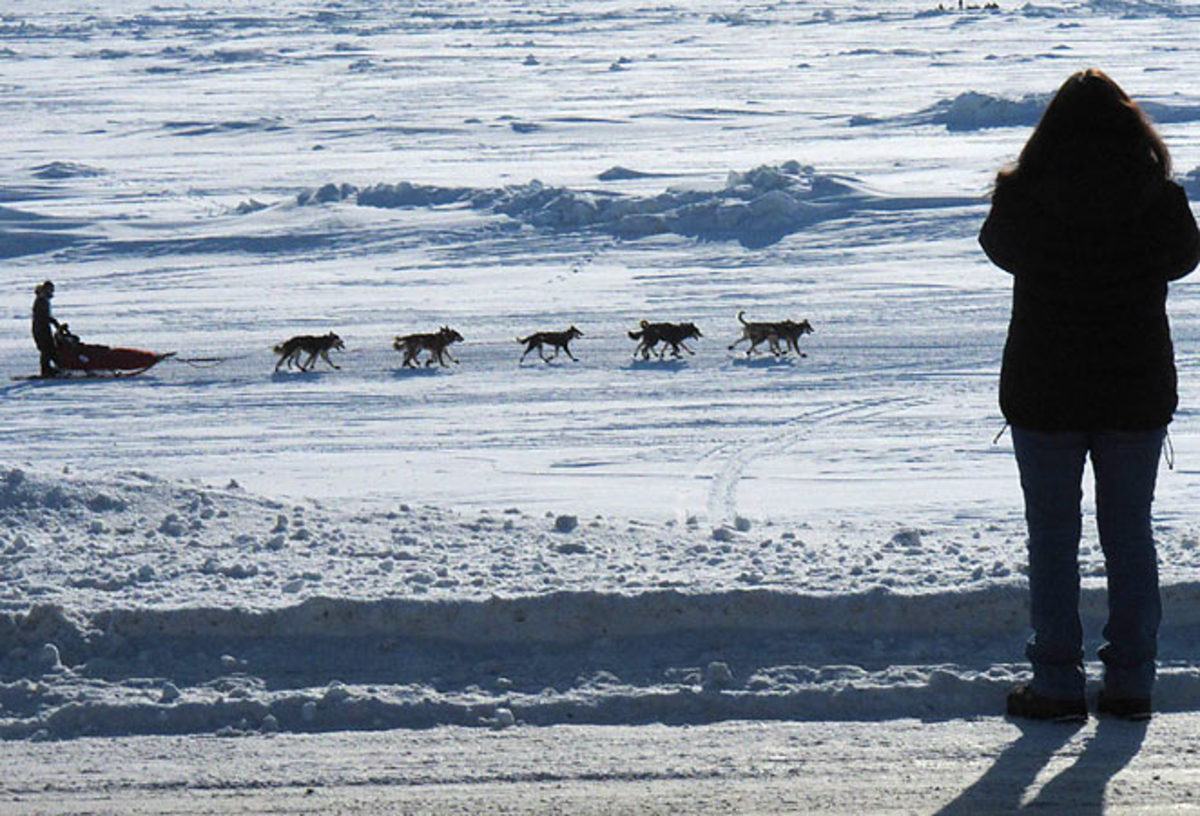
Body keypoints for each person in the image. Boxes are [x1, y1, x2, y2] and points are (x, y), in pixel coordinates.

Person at [980, 69, 1200, 722]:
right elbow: (1186, 257)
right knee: (1129, 533)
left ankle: (1056, 683)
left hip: (1044, 387)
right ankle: (1130, 682)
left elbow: (998, 247)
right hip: (1134, 389)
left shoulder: (1025, 195)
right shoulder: (1157, 198)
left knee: (1052, 536)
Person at [31, 280, 61, 378]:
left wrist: (54, 322)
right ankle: (46, 370)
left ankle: (57, 366)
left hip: (44, 327)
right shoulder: (41, 300)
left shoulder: (44, 300)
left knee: (51, 347)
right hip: (40, 328)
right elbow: (41, 316)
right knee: (46, 348)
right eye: (50, 290)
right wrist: (52, 321)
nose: (51, 292)